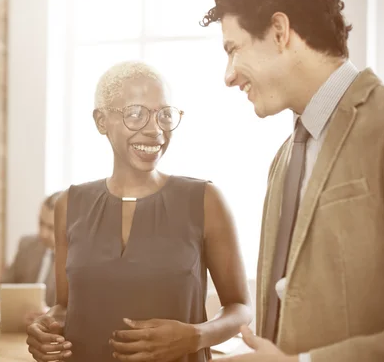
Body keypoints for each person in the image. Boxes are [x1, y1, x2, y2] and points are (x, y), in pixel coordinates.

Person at [200, 0, 384, 361]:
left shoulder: (382, 125)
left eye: (233, 49)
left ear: (280, 31)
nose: (228, 76)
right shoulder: (285, 158)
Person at [26, 61, 253, 362]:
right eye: (136, 114)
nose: (154, 129)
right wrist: (45, 328)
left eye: (164, 115)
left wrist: (195, 336)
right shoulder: (70, 203)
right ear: (101, 120)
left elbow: (240, 307)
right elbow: (65, 306)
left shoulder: (204, 200)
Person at [0, 191, 62, 324]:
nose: (43, 233)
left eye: (51, 228)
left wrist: (52, 314)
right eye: (41, 223)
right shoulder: (26, 245)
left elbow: (79, 313)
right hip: (19, 329)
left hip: (53, 335)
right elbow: (3, 285)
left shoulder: (79, 260)